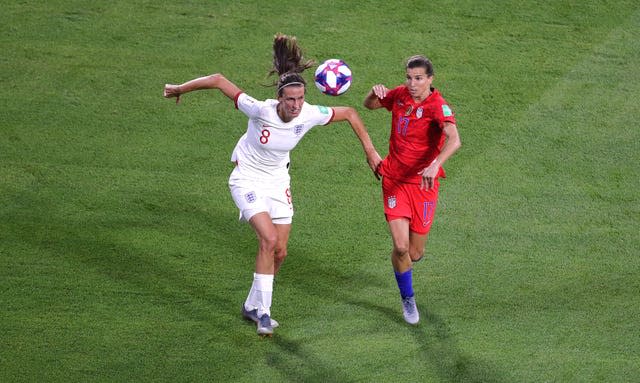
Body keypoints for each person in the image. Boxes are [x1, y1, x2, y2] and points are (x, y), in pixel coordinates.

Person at [164, 33, 382, 336]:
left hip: (279, 183)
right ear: (280, 98)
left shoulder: (309, 114)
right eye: (290, 99)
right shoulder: (260, 110)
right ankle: (264, 314)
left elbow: (350, 114)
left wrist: (370, 152)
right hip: (247, 179)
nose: (295, 105)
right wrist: (179, 88)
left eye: (300, 99)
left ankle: (252, 305)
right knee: (267, 240)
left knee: (280, 252)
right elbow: (217, 80)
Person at [363, 55, 461, 325]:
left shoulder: (437, 106)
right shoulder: (399, 96)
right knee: (401, 246)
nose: (412, 83)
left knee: (414, 253)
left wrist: (435, 164)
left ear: (430, 79)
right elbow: (369, 105)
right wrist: (374, 92)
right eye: (409, 77)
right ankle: (408, 298)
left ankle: (404, 262)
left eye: (418, 78)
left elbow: (455, 140)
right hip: (394, 179)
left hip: (423, 186)